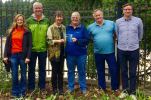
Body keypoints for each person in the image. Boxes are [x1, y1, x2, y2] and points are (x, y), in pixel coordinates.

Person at [87, 9, 119, 94]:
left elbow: (116, 34)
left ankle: (115, 88)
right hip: (98, 53)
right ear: (94, 16)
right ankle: (102, 88)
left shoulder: (111, 23)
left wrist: (113, 40)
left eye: (99, 15)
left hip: (110, 52)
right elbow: (88, 38)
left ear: (102, 15)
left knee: (113, 70)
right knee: (100, 71)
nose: (98, 17)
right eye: (96, 15)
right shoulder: (90, 27)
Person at [116, 3, 143, 100]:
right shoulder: (118, 21)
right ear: (123, 11)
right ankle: (125, 91)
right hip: (122, 49)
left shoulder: (138, 21)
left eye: (129, 9)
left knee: (132, 72)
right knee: (123, 71)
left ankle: (133, 92)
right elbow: (118, 34)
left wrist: (134, 42)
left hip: (133, 49)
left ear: (132, 11)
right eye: (126, 9)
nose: (127, 11)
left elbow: (140, 35)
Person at [3, 14, 32, 98]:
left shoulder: (27, 32)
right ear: (15, 21)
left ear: (23, 21)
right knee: (15, 75)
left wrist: (28, 57)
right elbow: (7, 45)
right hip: (13, 56)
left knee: (23, 75)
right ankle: (15, 92)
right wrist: (5, 56)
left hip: (23, 56)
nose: (20, 21)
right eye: (18, 20)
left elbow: (30, 45)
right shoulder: (11, 31)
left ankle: (22, 92)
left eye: (21, 20)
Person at [26, 1, 50, 94]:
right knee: (31, 70)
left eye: (39, 8)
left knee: (42, 70)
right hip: (31, 50)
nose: (38, 9)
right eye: (36, 8)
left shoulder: (47, 20)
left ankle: (42, 87)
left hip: (43, 49)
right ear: (33, 9)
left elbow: (48, 36)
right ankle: (31, 88)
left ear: (42, 9)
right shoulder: (28, 21)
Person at [65, 11, 89, 94]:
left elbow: (87, 40)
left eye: (76, 17)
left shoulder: (83, 28)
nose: (75, 19)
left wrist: (78, 41)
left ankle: (83, 88)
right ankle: (70, 87)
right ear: (71, 18)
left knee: (81, 71)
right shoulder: (67, 28)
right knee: (70, 71)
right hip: (70, 55)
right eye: (73, 17)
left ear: (79, 18)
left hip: (81, 54)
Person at [47, 11, 66, 95]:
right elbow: (48, 41)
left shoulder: (64, 27)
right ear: (55, 17)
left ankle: (61, 89)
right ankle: (54, 89)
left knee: (60, 71)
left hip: (62, 53)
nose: (59, 18)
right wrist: (58, 41)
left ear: (62, 18)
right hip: (54, 54)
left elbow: (65, 38)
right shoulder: (50, 28)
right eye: (58, 17)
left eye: (60, 17)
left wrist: (66, 40)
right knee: (54, 72)